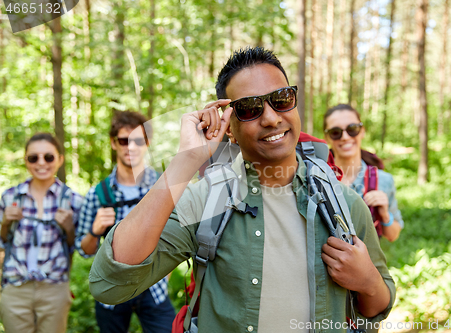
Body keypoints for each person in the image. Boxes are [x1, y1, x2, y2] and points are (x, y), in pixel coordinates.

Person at [89, 47, 395, 332]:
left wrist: (367, 279)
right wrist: (184, 162)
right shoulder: (206, 201)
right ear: (229, 127)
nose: (272, 118)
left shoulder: (342, 203)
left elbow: (377, 308)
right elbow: (110, 283)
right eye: (250, 108)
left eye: (282, 98)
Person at [75, 111, 176, 333]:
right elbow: (83, 250)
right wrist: (94, 232)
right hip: (112, 289)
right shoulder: (97, 194)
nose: (131, 147)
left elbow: (177, 237)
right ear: (113, 143)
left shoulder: (162, 187)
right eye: (123, 141)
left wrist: (165, 276)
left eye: (138, 141)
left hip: (154, 287)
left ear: (147, 143)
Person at [0, 133, 83, 333]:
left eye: (48, 157)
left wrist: (69, 228)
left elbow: (81, 247)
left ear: (60, 159)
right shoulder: (10, 196)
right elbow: (3, 242)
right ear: (26, 161)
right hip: (15, 287)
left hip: (54, 288)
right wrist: (4, 224)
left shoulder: (73, 200)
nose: (41, 163)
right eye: (33, 157)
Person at [323, 104, 404, 242]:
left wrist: (384, 214)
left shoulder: (383, 180)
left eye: (352, 129)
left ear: (362, 131)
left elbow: (393, 235)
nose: (345, 137)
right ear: (328, 137)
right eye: (336, 132)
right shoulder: (317, 178)